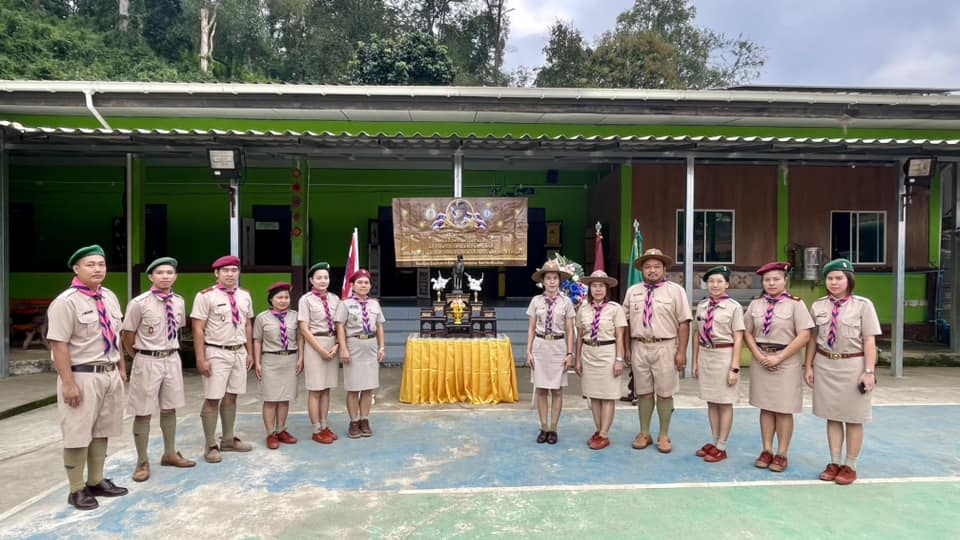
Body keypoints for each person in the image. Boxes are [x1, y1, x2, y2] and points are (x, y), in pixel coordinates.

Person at [46, 245, 128, 510]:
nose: (97, 269)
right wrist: (68, 383)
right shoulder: (65, 302)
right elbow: (58, 345)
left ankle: (96, 480)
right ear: (76, 268)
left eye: (101, 264)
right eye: (90, 264)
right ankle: (76, 489)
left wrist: (121, 368)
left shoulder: (110, 297)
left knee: (102, 430)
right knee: (77, 434)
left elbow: (115, 337)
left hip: (108, 372)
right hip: (81, 375)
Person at [805, 258, 881, 485]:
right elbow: (813, 339)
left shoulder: (863, 305)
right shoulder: (818, 306)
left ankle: (850, 465)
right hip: (826, 364)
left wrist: (868, 371)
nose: (834, 282)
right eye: (830, 278)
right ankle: (835, 461)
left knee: (854, 417)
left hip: (853, 365)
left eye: (839, 278)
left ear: (849, 280)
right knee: (833, 416)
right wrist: (808, 365)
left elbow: (869, 340)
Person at [122, 257, 196, 483]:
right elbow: (127, 335)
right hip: (147, 359)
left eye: (169, 272)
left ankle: (170, 453)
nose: (165, 276)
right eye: (160, 272)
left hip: (172, 358)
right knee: (143, 411)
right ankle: (142, 460)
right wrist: (139, 357)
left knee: (170, 408)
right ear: (150, 277)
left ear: (175, 276)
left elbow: (179, 328)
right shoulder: (139, 303)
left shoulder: (179, 301)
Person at [743, 262, 813, 473]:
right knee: (765, 407)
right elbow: (747, 331)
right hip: (762, 359)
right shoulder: (756, 304)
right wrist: (758, 354)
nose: (771, 283)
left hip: (786, 361)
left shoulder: (795, 304)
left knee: (783, 409)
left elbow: (805, 335)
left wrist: (780, 357)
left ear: (785, 280)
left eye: (776, 279)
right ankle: (766, 450)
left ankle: (782, 453)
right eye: (767, 280)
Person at [622, 248, 691, 453]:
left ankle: (663, 434)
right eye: (647, 266)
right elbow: (624, 322)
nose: (652, 270)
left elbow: (684, 323)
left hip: (665, 346)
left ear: (664, 268)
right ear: (642, 269)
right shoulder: (633, 291)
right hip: (639, 346)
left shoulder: (675, 291)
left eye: (656, 266)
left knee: (664, 392)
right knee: (642, 392)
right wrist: (626, 348)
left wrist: (682, 352)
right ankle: (644, 433)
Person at [191, 255, 256, 463]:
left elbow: (247, 324)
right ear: (216, 273)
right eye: (225, 270)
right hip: (216, 352)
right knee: (212, 398)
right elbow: (198, 329)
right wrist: (201, 359)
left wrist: (250, 352)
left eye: (234, 270)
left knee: (232, 395)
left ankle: (228, 439)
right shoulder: (205, 296)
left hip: (238, 351)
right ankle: (210, 444)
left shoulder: (245, 296)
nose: (230, 274)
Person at [691, 266, 745, 463]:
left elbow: (738, 338)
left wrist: (735, 367)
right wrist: (695, 361)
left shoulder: (734, 307)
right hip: (706, 355)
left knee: (724, 401)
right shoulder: (703, 305)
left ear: (727, 284)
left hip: (724, 355)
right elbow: (697, 334)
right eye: (711, 281)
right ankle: (714, 442)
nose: (715, 285)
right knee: (711, 401)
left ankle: (722, 445)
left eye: (719, 281)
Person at [574, 270, 627, 450]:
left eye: (601, 286)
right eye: (594, 286)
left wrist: (619, 359)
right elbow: (580, 336)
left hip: (607, 353)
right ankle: (599, 430)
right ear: (589, 289)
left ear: (607, 289)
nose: (598, 289)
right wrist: (578, 359)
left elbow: (620, 336)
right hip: (589, 353)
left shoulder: (615, 308)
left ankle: (604, 433)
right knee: (594, 395)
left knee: (608, 396)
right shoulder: (583, 308)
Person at [526, 260, 577, 445]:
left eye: (555, 278)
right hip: (540, 346)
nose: (552, 282)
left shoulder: (566, 302)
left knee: (556, 390)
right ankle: (544, 427)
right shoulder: (536, 301)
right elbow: (531, 328)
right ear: (543, 281)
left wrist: (570, 353)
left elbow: (570, 330)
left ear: (559, 281)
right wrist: (529, 350)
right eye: (548, 278)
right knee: (541, 389)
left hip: (558, 346)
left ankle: (554, 428)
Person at [335, 269, 386, 438]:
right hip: (354, 344)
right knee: (353, 387)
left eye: (366, 282)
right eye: (359, 282)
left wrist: (381, 347)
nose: (363, 285)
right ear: (352, 285)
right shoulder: (345, 304)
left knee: (368, 387)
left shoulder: (374, 304)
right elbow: (340, 326)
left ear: (370, 285)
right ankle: (354, 421)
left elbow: (379, 326)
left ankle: (365, 419)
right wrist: (343, 348)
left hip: (370, 345)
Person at [253, 282, 303, 450]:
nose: (283, 301)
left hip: (289, 359)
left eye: (286, 297)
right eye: (279, 297)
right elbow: (257, 340)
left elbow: (300, 338)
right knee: (270, 399)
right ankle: (270, 433)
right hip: (270, 361)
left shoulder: (295, 316)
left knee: (284, 398)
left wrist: (300, 358)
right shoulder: (262, 318)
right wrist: (257, 362)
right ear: (271, 299)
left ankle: (281, 429)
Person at [298, 262, 341, 444]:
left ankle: (324, 425)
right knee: (315, 390)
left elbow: (340, 325)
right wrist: (321, 350)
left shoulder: (335, 299)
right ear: (311, 280)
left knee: (326, 389)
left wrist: (337, 345)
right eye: (319, 278)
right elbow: (304, 329)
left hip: (332, 345)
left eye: (326, 277)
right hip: (315, 346)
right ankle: (316, 429)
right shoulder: (305, 300)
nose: (323, 281)